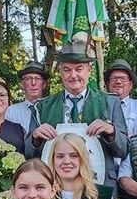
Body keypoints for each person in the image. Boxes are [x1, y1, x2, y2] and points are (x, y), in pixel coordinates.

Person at [28, 42, 129, 187]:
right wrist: (35, 138)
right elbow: (28, 153)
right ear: (60, 72)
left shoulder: (109, 102)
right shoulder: (42, 107)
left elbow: (124, 149)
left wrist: (111, 131)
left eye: (79, 69)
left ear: (89, 70)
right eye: (67, 70)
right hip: (56, 187)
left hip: (99, 184)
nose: (73, 75)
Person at [6, 60, 48, 133]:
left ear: (44, 84)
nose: (33, 83)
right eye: (28, 79)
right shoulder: (11, 112)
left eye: (37, 79)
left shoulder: (53, 108)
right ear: (22, 84)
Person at [105, 59, 137, 135]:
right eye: (114, 78)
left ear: (131, 85)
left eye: (123, 79)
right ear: (108, 83)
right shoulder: (99, 105)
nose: (118, 82)